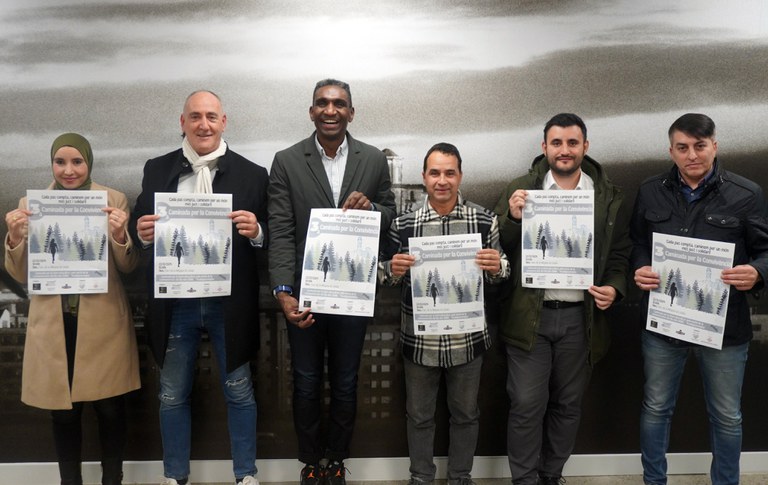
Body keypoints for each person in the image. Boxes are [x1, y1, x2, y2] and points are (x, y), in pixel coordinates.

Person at [130, 90, 268, 485]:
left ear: (224, 121)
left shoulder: (253, 174)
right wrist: (141, 233)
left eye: (210, 116)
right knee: (172, 393)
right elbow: (140, 224)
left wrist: (258, 232)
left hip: (230, 302)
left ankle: (245, 475)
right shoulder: (157, 169)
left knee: (239, 390)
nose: (203, 124)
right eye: (195, 116)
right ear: (183, 122)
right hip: (176, 303)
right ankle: (174, 476)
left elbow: (276, 237)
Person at [268, 78, 396, 485]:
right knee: (306, 382)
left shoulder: (372, 159)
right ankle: (310, 462)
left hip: (353, 293)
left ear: (351, 113)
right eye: (322, 103)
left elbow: (391, 216)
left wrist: (372, 207)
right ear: (311, 112)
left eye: (339, 103)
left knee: (345, 382)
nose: (330, 110)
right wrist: (283, 291)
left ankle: (337, 461)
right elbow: (281, 230)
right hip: (305, 295)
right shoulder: (287, 161)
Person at [493, 113, 631, 485]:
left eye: (572, 142)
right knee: (526, 404)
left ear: (585, 146)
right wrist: (512, 218)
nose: (564, 150)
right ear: (545, 147)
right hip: (529, 316)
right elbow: (495, 251)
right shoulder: (521, 189)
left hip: (581, 319)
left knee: (568, 405)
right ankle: (525, 480)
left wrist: (614, 287)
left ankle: (551, 476)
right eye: (557, 143)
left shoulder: (606, 195)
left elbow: (620, 254)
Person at [630, 113, 768, 485]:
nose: (692, 155)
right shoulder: (650, 190)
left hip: (724, 328)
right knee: (656, 408)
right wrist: (640, 267)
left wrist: (757, 272)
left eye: (700, 146)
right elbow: (638, 243)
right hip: (663, 324)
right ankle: (653, 481)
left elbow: (765, 252)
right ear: (671, 151)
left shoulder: (746, 194)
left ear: (714, 146)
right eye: (683, 147)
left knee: (727, 416)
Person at [4, 133, 140, 485]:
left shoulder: (113, 200)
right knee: (63, 413)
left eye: (77, 161)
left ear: (88, 163)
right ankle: (70, 482)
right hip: (54, 323)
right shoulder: (31, 205)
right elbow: (20, 274)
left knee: (110, 408)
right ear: (51, 163)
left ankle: (112, 479)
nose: (68, 170)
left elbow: (128, 266)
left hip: (103, 321)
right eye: (60, 162)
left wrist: (120, 236)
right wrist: (15, 238)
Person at [380, 142, 510, 485]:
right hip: (419, 340)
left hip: (468, 340)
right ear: (424, 176)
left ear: (460, 176)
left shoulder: (484, 220)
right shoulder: (404, 224)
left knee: (466, 415)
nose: (442, 180)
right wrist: (392, 269)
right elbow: (383, 275)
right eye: (435, 173)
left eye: (449, 173)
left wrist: (497, 266)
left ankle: (460, 477)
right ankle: (421, 478)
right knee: (419, 416)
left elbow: (503, 270)